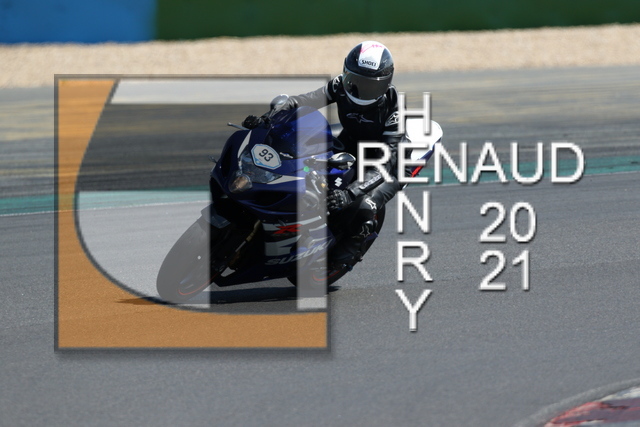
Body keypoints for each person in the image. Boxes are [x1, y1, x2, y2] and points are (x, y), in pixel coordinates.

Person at [243, 40, 405, 270]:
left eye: (370, 86)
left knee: (363, 205)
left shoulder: (395, 110)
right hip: (352, 141)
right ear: (346, 74)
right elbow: (301, 101)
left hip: (390, 162)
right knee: (307, 164)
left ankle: (351, 247)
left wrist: (350, 193)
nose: (360, 90)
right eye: (356, 82)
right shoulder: (339, 85)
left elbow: (386, 164)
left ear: (386, 83)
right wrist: (268, 118)